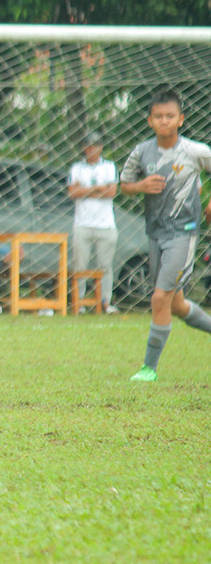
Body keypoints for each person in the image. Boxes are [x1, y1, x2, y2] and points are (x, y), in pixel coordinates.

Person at [119, 88, 211, 382]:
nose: (164, 121)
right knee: (176, 304)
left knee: (159, 299)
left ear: (181, 119)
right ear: (149, 120)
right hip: (155, 233)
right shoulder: (141, 152)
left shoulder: (195, 152)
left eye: (170, 116)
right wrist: (141, 186)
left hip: (183, 233)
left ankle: (149, 369)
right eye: (158, 116)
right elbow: (123, 185)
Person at [67, 131, 119, 314]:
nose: (91, 149)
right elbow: (73, 193)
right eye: (88, 145)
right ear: (83, 147)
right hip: (82, 224)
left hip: (106, 224)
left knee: (105, 266)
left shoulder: (109, 167)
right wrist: (98, 189)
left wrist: (85, 190)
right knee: (79, 265)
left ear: (101, 147)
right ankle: (79, 302)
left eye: (94, 145)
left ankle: (105, 302)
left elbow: (111, 192)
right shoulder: (76, 168)